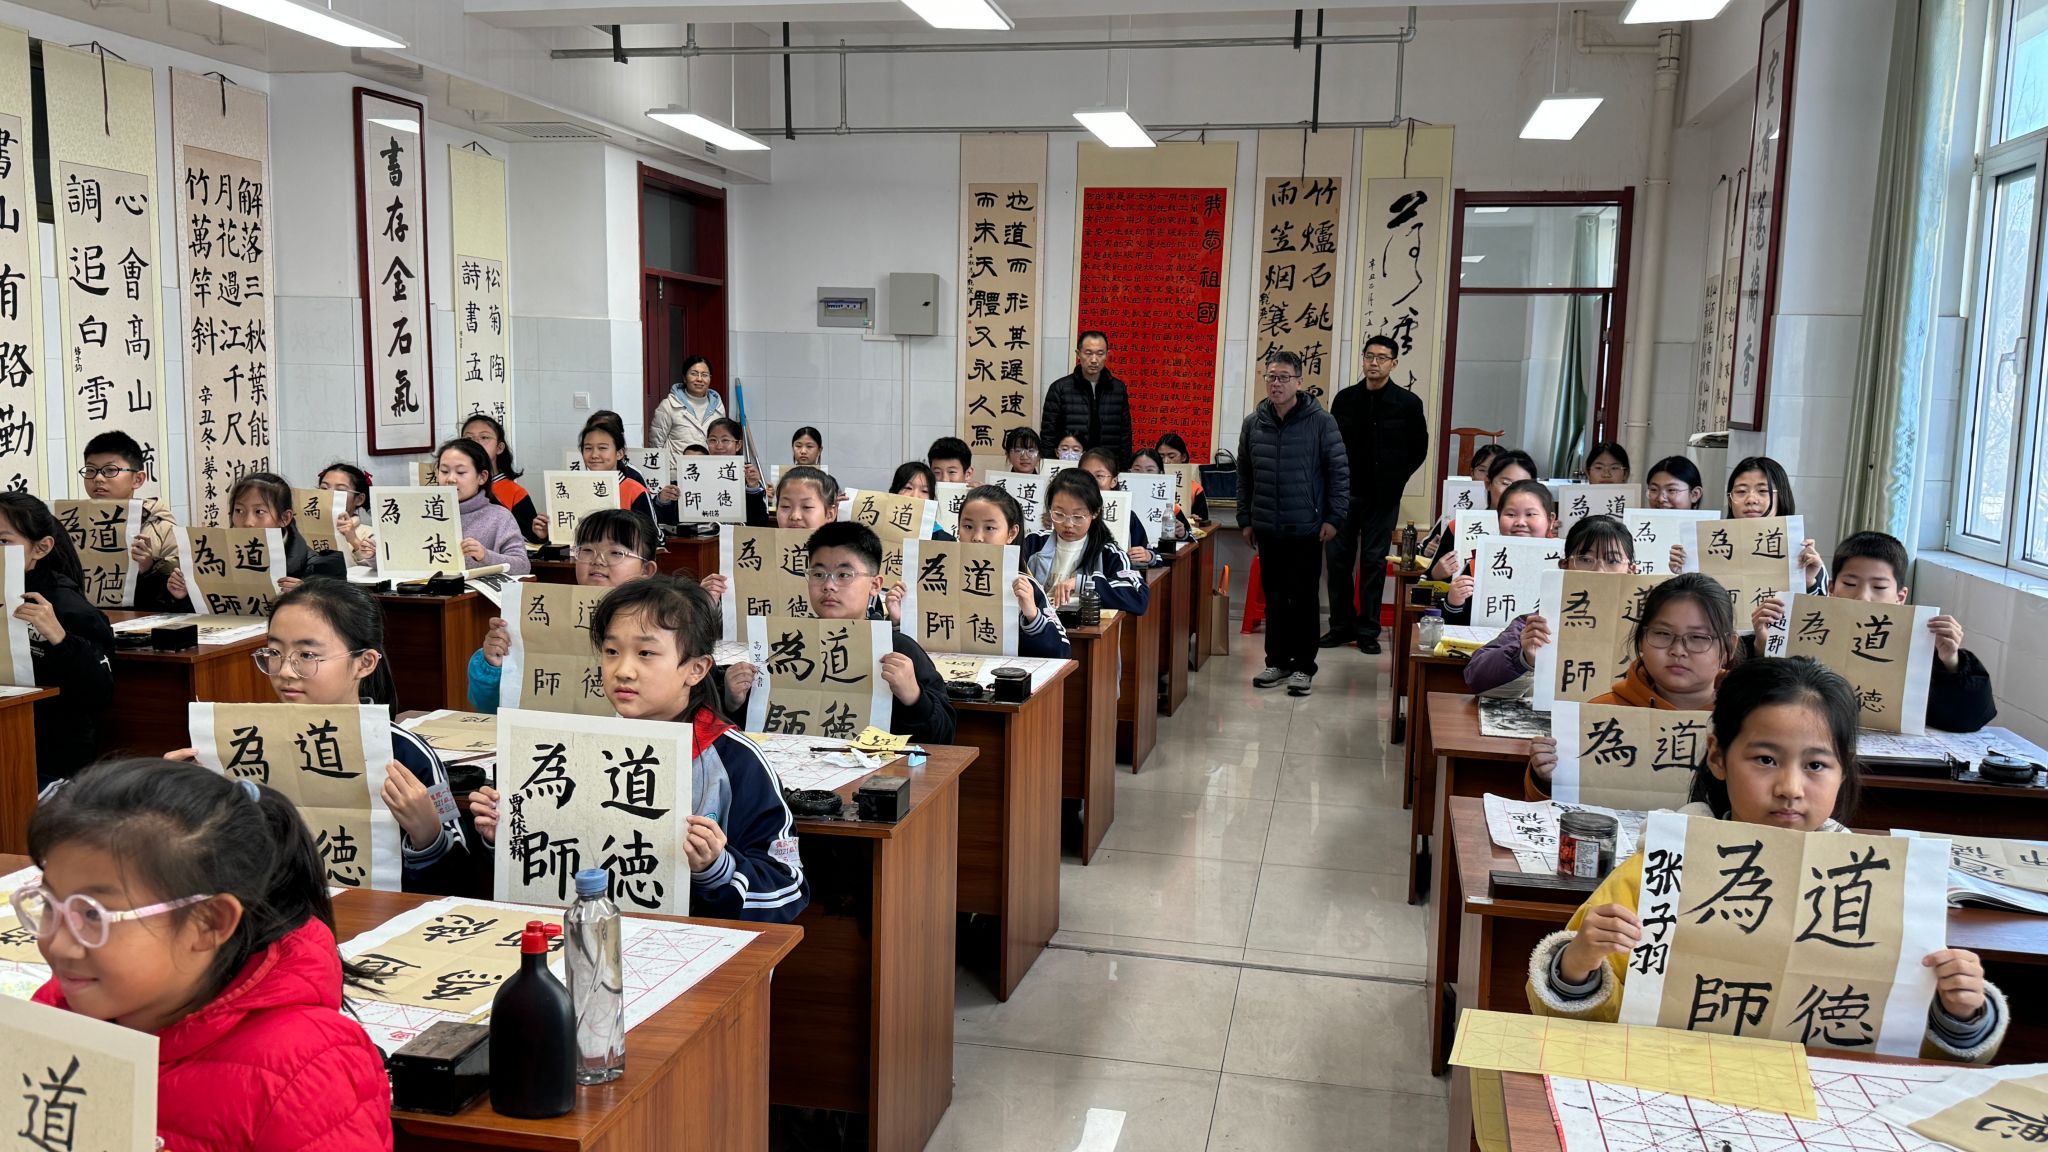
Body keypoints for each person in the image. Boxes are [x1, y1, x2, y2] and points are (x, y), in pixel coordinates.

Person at [1526, 658, 2007, 1062]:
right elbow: (1579, 1023)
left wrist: (1958, 1013)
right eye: (1765, 760)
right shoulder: (1657, 873)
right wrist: (1577, 966)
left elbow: (1908, 1045)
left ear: (1844, 770)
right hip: (1668, 1086)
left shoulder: (1877, 893)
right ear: (1718, 756)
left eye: (1816, 765)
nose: (1790, 788)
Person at [23, 759, 396, 1149]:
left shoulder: (304, 1072)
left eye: (92, 915)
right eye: (49, 904)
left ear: (209, 922)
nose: (59, 943)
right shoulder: (61, 1009)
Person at [468, 576, 811, 923]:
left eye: (646, 653)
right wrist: (505, 836)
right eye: (611, 651)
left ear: (696, 669)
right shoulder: (575, 747)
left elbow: (787, 886)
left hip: (688, 943)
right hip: (580, 934)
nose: (623, 670)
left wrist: (715, 867)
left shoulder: (734, 759)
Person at [727, 523, 957, 746]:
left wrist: (914, 697)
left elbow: (944, 737)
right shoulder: (784, 645)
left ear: (875, 585)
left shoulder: (898, 648)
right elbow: (749, 730)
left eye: (844, 575)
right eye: (818, 574)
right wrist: (733, 702)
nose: (829, 585)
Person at [1749, 531, 1997, 732]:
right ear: (1832, 588)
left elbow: (1967, 719)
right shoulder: (1805, 629)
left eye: (1878, 587)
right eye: (1850, 584)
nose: (1863, 597)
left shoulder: (1920, 645)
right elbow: (1760, 701)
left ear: (1900, 596)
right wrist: (1763, 646)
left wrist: (1951, 661)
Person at [1523, 573, 1738, 797]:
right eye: (1663, 634)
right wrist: (1546, 780)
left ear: (1728, 648)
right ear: (1642, 639)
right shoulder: (1600, 714)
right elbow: (1555, 807)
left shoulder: (1744, 719)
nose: (1678, 650)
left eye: (1698, 638)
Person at [1237, 349, 1349, 697]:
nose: (1276, 383)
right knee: (1274, 599)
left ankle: (1303, 666)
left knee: (1303, 599)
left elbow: (1339, 473)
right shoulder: (1253, 423)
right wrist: (1245, 519)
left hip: (1306, 528)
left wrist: (1334, 517)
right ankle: (1277, 662)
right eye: (1271, 376)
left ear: (1299, 382)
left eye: (1284, 377)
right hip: (1267, 527)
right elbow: (1245, 476)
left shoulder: (1321, 422)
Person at [468, 510, 660, 714]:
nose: (598, 560)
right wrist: (494, 663)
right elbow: (488, 705)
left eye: (616, 553)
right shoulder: (544, 616)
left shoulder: (663, 624)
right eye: (587, 550)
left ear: (646, 570)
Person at [0, 493, 113, 786]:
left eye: (3, 541)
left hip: (51, 759)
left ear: (41, 548)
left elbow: (100, 693)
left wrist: (61, 639)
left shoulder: (67, 607)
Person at [1325, 335, 1429, 654]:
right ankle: (1341, 626)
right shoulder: (1345, 399)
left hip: (1383, 498)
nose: (1374, 363)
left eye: (1382, 358)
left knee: (1373, 563)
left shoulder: (1408, 403)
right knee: (1338, 562)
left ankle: (1368, 631)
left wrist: (1396, 480)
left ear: (1393, 364)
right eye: (1369, 356)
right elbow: (1331, 445)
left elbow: (1419, 449)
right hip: (1344, 495)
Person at [1464, 515, 1636, 694]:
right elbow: (1475, 677)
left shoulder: (1647, 626)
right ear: (1564, 565)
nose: (1599, 571)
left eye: (1613, 561)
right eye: (1585, 559)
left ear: (1631, 570)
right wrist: (1523, 658)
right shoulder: (1538, 624)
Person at [165, 473, 347, 604]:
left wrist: (310, 597)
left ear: (285, 518)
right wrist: (183, 595)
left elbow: (342, 619)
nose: (247, 522)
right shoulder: (210, 559)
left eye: (259, 512)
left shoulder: (320, 566)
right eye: (239, 511)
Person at [1668, 456, 1824, 590]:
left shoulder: (1804, 556)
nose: (1751, 500)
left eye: (1763, 491)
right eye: (1741, 492)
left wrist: (1808, 581)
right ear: (1730, 500)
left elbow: (1819, 614)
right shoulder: (1707, 549)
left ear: (1782, 497)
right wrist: (1683, 576)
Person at [953, 485, 1071, 658]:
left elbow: (1062, 652)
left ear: (1011, 533)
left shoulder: (1024, 585)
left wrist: (1032, 614)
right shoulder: (939, 578)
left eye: (989, 528)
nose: (977, 537)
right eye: (968, 526)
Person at [1020, 469, 1149, 614]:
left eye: (1078, 517)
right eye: (1059, 514)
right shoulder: (1034, 543)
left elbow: (1139, 597)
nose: (1068, 524)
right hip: (1036, 623)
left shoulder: (1108, 553)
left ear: (1095, 512)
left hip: (1084, 625)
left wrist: (1083, 583)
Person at [81, 432, 182, 611]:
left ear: (138, 479)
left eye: (110, 470)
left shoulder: (163, 528)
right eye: (90, 470)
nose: (98, 478)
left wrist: (149, 567)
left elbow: (180, 598)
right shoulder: (75, 525)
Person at [1439, 478, 1558, 626]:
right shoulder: (1479, 565)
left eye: (1530, 514)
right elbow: (1452, 624)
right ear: (1498, 517)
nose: (1520, 522)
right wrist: (1454, 601)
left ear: (1550, 519)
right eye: (1511, 514)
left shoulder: (1562, 565)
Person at [1426, 449, 1539, 577]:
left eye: (1523, 486)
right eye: (1506, 483)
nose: (1513, 492)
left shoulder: (1539, 530)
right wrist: (1436, 574)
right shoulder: (1459, 527)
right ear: (1488, 483)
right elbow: (1426, 581)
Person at [1041, 330, 1132, 467]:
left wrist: (1123, 469)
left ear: (1107, 355)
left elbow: (1125, 436)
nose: (1094, 360)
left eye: (1100, 354)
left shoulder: (1118, 389)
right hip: (1070, 467)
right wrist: (1050, 468)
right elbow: (1048, 435)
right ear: (1078, 354)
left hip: (1106, 467)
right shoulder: (1059, 388)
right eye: (1088, 353)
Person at [554, 415, 658, 529]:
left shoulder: (635, 491)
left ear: (619, 453)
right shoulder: (572, 489)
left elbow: (654, 536)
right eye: (588, 448)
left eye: (602, 448)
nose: (594, 455)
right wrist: (547, 531)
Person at [461, 414, 542, 544]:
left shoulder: (515, 492)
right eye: (468, 438)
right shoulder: (455, 489)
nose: (475, 443)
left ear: (499, 448)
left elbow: (531, 540)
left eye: (484, 437)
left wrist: (540, 535)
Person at [1077, 447, 1154, 566]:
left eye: (1099, 476)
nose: (1091, 481)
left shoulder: (1128, 516)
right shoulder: (1065, 513)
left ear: (1114, 481)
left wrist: (1147, 555)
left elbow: (1150, 553)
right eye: (1085, 475)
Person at [651, 355, 725, 454]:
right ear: (684, 378)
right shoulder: (669, 405)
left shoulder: (718, 407)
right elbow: (656, 447)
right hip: (675, 464)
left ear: (710, 378)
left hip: (708, 463)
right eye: (694, 374)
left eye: (704, 375)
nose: (699, 379)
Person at [706, 417, 771, 526]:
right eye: (712, 440)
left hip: (739, 534)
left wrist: (753, 487)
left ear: (738, 445)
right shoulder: (698, 474)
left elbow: (760, 523)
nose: (719, 446)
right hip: (706, 534)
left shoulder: (749, 475)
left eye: (725, 440)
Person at [1129, 449, 1191, 541]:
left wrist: (1182, 534)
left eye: (1150, 470)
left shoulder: (1169, 507)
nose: (1143, 474)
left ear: (1160, 473)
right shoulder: (1122, 500)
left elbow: (1191, 538)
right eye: (1137, 469)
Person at [1155, 433, 1210, 524]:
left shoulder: (1195, 488)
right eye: (1161, 457)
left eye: (1171, 456)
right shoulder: (1151, 484)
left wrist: (1193, 520)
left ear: (1183, 457)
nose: (1166, 461)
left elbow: (1204, 522)